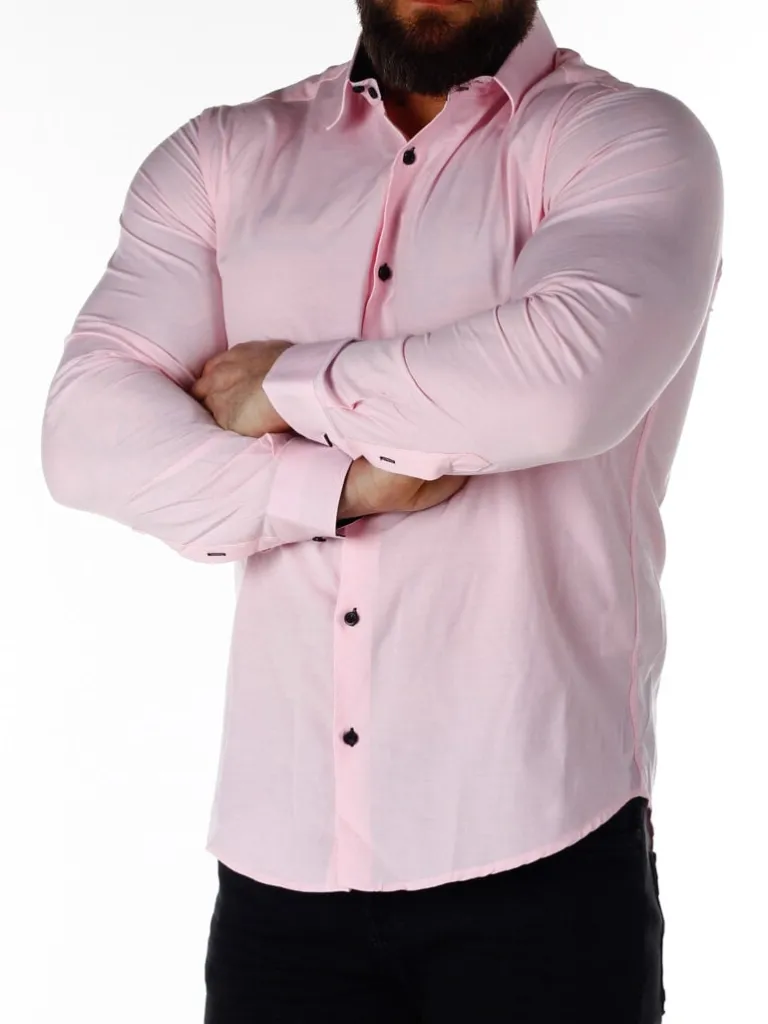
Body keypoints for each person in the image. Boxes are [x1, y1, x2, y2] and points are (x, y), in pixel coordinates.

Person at [40, 1, 724, 1021]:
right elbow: (85, 433)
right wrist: (336, 488)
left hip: (542, 848)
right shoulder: (224, 158)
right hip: (282, 871)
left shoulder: (625, 141)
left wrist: (281, 384)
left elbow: (564, 384)